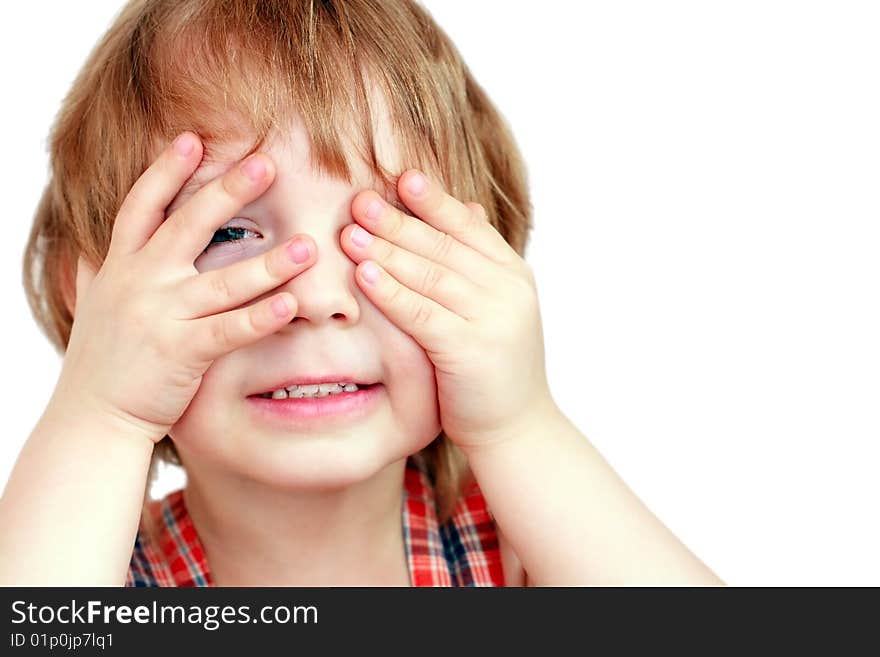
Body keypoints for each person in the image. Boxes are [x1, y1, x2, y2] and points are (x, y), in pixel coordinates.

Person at [0, 0, 724, 586]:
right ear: (91, 298)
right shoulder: (85, 574)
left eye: (385, 227)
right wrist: (101, 411)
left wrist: (519, 424)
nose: (317, 295)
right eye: (227, 231)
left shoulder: (531, 552)